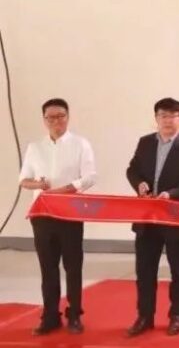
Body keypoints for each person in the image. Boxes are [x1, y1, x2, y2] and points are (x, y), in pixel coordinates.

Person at [18, 98, 96, 336]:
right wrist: (38, 184)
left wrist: (64, 189)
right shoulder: (35, 147)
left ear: (68, 117)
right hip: (42, 215)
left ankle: (74, 315)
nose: (56, 121)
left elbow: (90, 177)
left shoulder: (81, 144)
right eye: (50, 117)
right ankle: (50, 316)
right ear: (44, 120)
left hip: (70, 213)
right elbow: (23, 180)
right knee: (48, 268)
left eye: (60, 116)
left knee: (73, 267)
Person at [125, 97, 179, 337]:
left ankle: (177, 315)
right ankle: (144, 316)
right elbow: (132, 169)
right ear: (156, 119)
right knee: (145, 269)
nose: (167, 121)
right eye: (163, 116)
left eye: (172, 116)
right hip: (147, 216)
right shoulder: (145, 142)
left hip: (174, 215)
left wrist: (171, 194)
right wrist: (139, 184)